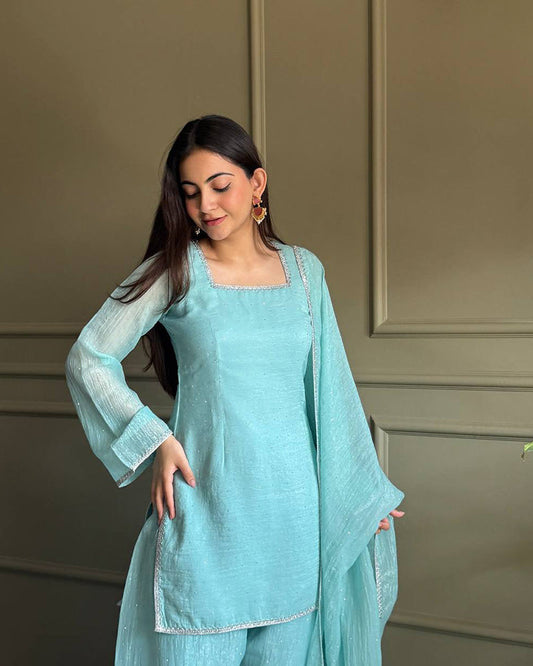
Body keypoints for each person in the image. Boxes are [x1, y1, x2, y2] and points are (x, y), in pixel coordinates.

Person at [65, 114, 406, 665]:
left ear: (257, 183)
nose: (206, 205)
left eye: (220, 185)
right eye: (191, 192)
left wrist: (359, 498)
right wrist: (154, 440)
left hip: (292, 524)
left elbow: (331, 393)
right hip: (207, 512)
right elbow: (89, 356)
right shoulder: (175, 269)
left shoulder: (304, 272)